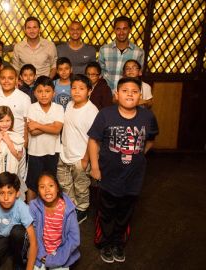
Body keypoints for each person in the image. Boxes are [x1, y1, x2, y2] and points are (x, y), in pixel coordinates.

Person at [88, 77, 159, 263]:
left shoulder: (147, 117)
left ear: (140, 96)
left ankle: (118, 243)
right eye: (125, 90)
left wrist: (140, 153)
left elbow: (151, 138)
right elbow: (93, 140)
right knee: (105, 211)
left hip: (133, 177)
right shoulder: (105, 115)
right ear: (116, 95)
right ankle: (104, 243)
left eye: (134, 91)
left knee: (125, 212)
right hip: (108, 175)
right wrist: (94, 166)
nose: (130, 94)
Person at [57, 74, 98, 224]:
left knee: (81, 187)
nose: (76, 91)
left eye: (81, 88)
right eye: (73, 88)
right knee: (65, 184)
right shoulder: (68, 105)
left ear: (89, 91)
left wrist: (85, 159)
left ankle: (82, 209)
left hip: (80, 158)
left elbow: (93, 138)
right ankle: (71, 206)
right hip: (65, 153)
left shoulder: (92, 111)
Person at [0, 172, 37, 270]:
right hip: (0, 237)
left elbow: (33, 241)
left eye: (10, 193)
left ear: (17, 193)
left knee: (17, 232)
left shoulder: (22, 207)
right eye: (2, 193)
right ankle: (6, 252)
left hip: (18, 238)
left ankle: (19, 262)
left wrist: (29, 268)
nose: (5, 198)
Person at [29, 173, 80, 270]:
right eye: (42, 187)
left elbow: (74, 239)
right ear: (38, 192)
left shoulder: (67, 209)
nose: (47, 190)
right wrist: (42, 256)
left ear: (57, 188)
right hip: (40, 250)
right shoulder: (34, 206)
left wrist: (55, 260)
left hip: (61, 252)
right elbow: (34, 235)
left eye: (51, 186)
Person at [26, 76, 64, 202]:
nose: (43, 95)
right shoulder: (31, 108)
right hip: (35, 152)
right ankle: (30, 212)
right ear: (35, 93)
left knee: (51, 182)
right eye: (40, 91)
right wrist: (50, 126)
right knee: (32, 183)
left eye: (47, 91)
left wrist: (38, 124)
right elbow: (33, 131)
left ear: (53, 93)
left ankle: (49, 210)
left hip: (52, 152)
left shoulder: (58, 108)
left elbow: (57, 129)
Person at [0, 106, 27, 203]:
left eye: (8, 120)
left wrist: (9, 142)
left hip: (13, 172)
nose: (4, 124)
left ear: (12, 121)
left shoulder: (15, 136)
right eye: (1, 121)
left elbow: (19, 157)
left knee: (14, 200)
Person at [0, 66, 31, 145]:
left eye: (10, 78)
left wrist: (26, 140)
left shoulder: (24, 98)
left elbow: (27, 121)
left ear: (16, 79)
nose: (6, 81)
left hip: (17, 141)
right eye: (3, 78)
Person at [99, 16, 145, 90]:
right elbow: (101, 74)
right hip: (107, 95)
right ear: (114, 30)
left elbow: (138, 75)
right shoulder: (104, 50)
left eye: (125, 29)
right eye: (118, 29)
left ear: (130, 30)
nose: (121, 32)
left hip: (127, 95)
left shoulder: (139, 52)